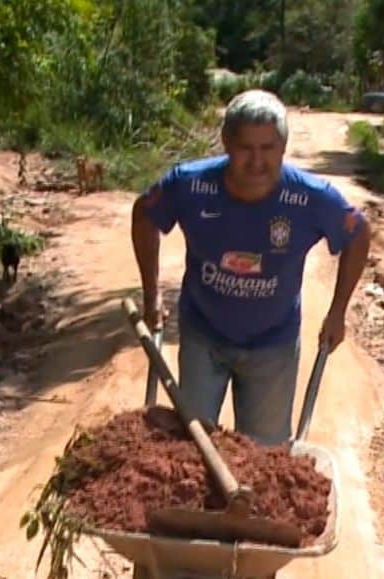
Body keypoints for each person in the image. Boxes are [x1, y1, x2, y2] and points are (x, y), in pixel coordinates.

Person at [130, 89, 371, 446]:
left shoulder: (308, 198)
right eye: (246, 147)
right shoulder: (191, 185)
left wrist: (338, 312)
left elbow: (358, 232)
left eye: (268, 148)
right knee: (192, 447)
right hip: (203, 335)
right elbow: (145, 214)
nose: (257, 160)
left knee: (266, 455)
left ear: (283, 147)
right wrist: (151, 297)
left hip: (273, 342)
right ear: (226, 143)